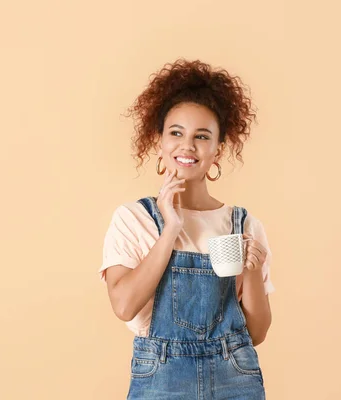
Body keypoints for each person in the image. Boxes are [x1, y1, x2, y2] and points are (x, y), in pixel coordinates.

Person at [99, 59, 275, 399]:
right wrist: (170, 230)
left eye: (202, 137)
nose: (188, 146)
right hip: (161, 379)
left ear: (218, 149)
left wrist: (252, 272)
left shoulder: (245, 225)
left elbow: (256, 332)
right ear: (159, 141)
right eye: (176, 133)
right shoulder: (134, 219)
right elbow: (123, 305)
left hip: (234, 376)